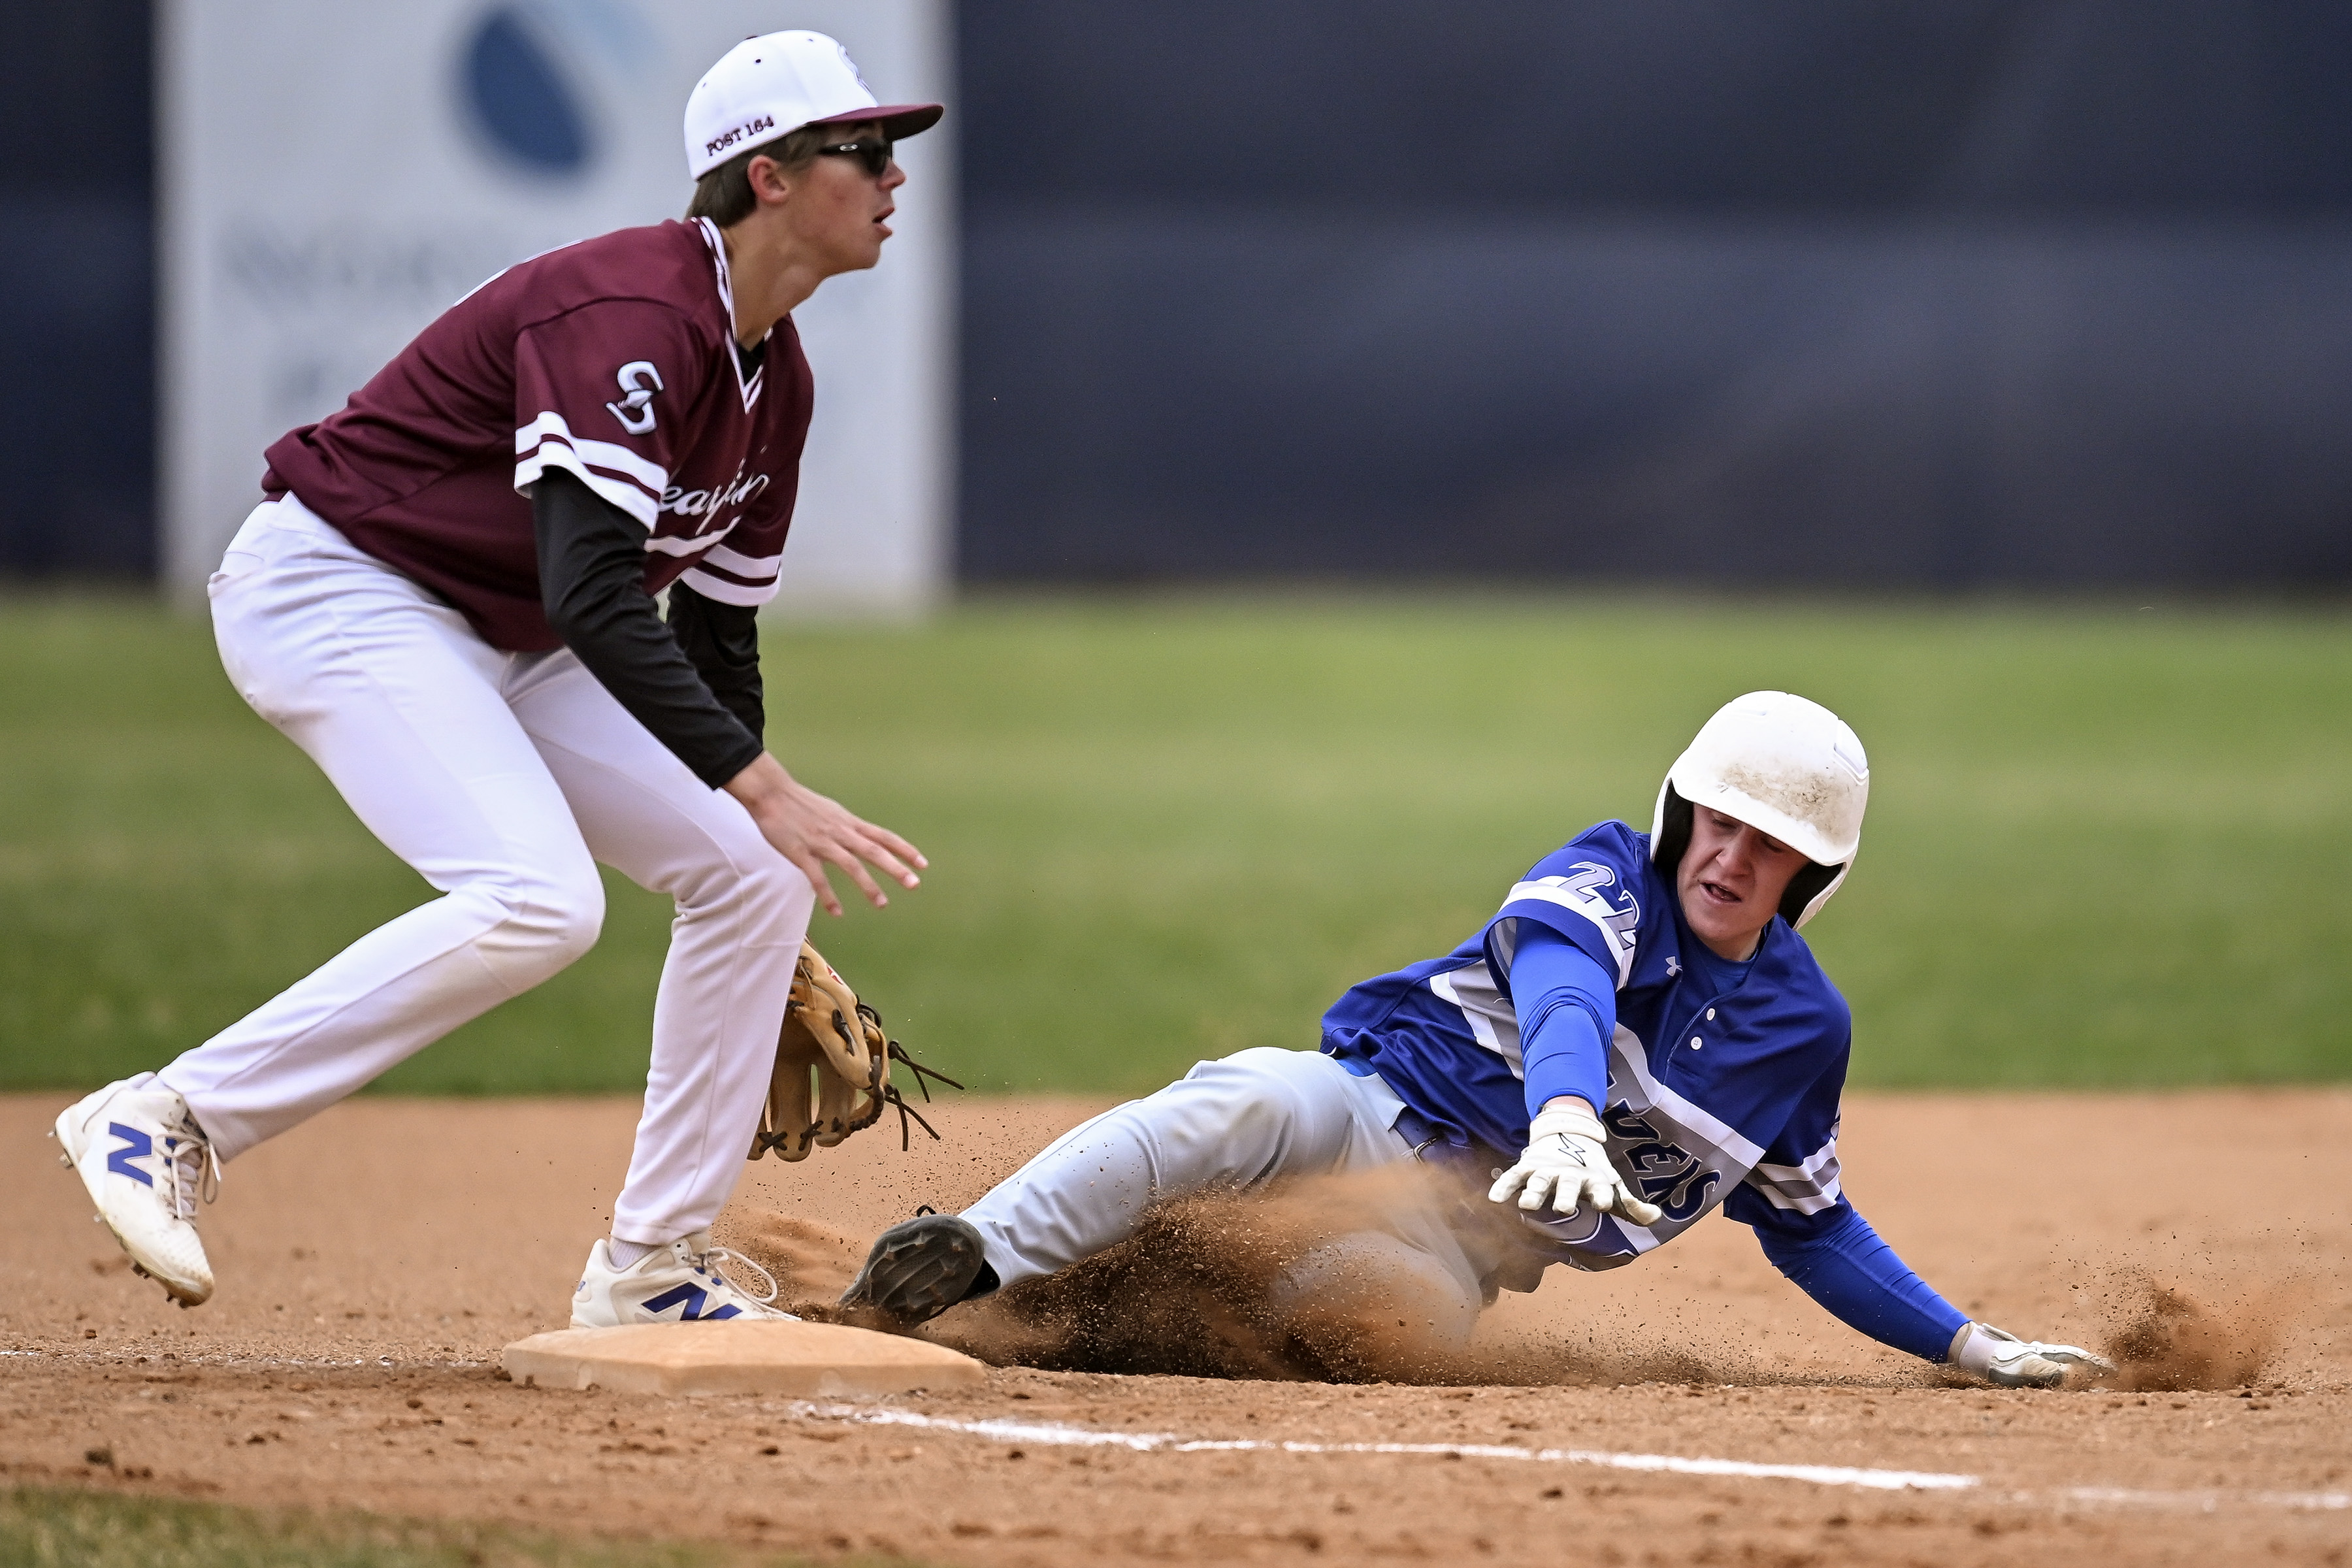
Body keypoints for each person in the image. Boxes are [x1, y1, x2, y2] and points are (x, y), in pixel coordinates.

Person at [56, 32, 941, 1328]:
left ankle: (650, 1270)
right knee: (537, 901)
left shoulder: (778, 380)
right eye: (863, 149)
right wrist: (761, 785)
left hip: (506, 633)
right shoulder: (633, 314)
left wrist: (750, 874)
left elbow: (715, 634)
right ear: (768, 176)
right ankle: (169, 1116)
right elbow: (594, 590)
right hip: (342, 586)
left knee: (758, 877)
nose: (892, 174)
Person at [841, 693, 2112, 1389]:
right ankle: (974, 1253)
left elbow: (1813, 1225)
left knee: (1372, 1325)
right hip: (1363, 1113)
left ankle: (1098, 1315)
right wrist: (1564, 1112)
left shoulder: (1801, 1032)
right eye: (1719, 821)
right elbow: (1564, 987)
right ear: (1680, 814)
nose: (1731, 856)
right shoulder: (1610, 874)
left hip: (1451, 1244)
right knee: (1245, 1100)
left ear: (1814, 875)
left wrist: (1963, 1341)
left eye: (1770, 843)